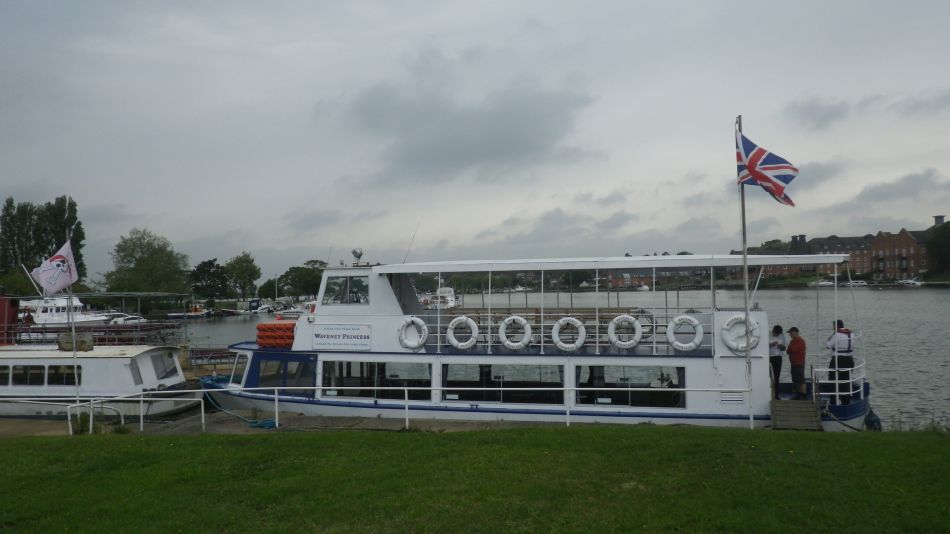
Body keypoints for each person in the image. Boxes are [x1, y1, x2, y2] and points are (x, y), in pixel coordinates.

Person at [825, 319, 855, 404]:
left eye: (833, 326)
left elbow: (827, 345)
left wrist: (830, 337)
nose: (832, 328)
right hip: (849, 359)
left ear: (836, 326)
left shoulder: (837, 335)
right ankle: (846, 400)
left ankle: (834, 400)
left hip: (838, 360)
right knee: (846, 380)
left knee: (833, 379)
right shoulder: (851, 334)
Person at [786, 327, 807, 400]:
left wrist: (790, 349)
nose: (790, 334)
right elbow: (788, 350)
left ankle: (803, 394)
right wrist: (790, 349)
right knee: (795, 379)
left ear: (796, 332)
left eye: (791, 333)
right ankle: (798, 393)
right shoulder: (792, 341)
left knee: (800, 379)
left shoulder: (800, 341)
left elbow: (792, 349)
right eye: (790, 333)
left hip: (799, 363)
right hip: (793, 363)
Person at [768, 325, 786, 399]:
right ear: (773, 331)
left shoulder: (782, 336)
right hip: (769, 358)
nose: (777, 335)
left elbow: (784, 348)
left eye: (778, 334)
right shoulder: (767, 335)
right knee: (769, 376)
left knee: (777, 376)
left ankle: (776, 395)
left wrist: (780, 346)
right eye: (776, 334)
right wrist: (771, 344)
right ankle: (768, 394)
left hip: (778, 358)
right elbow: (762, 346)